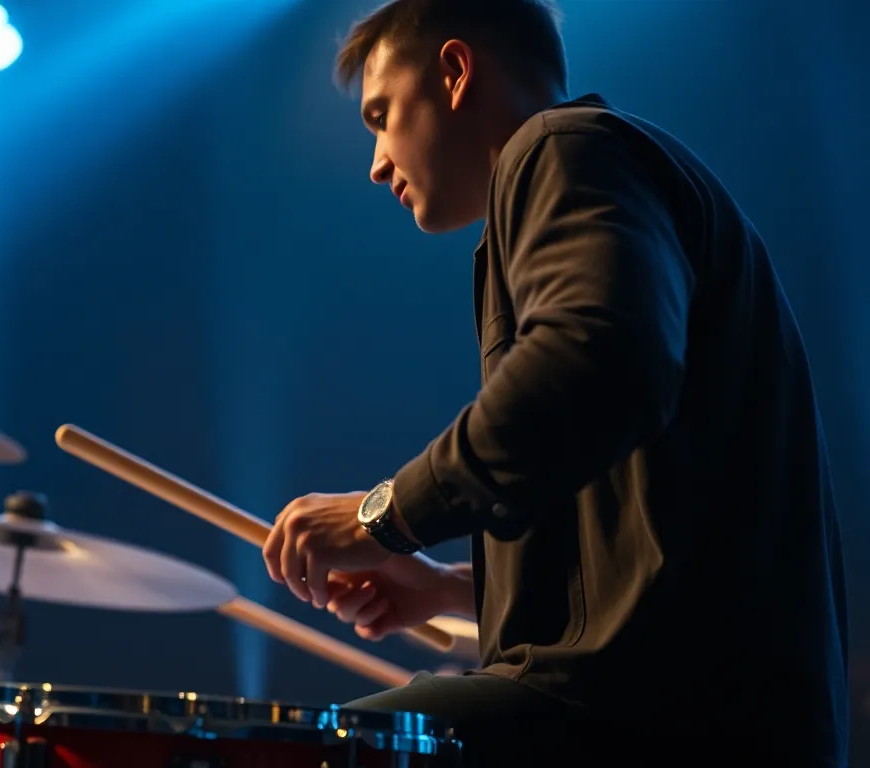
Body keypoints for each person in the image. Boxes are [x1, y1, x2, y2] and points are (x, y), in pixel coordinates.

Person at [261, 0, 850, 765]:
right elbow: (643, 547)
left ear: (454, 69)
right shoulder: (597, 174)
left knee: (299, 755)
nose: (376, 161)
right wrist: (453, 588)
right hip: (691, 710)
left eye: (381, 114)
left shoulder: (561, 148)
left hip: (657, 720)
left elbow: (597, 358)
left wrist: (382, 514)